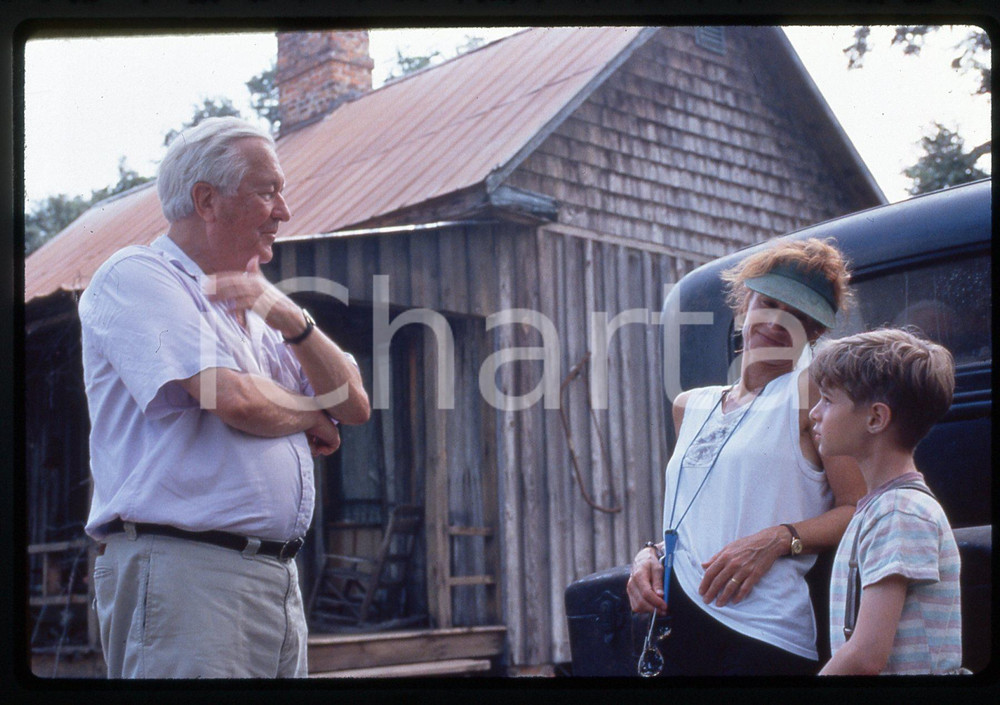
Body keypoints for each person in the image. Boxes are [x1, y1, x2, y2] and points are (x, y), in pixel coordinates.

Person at [78, 116, 371, 678]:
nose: (284, 211)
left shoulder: (259, 310)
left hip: (275, 578)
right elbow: (235, 400)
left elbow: (353, 404)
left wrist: (291, 317)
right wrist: (313, 415)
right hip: (187, 575)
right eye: (267, 192)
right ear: (207, 201)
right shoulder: (137, 275)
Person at [626, 237, 867, 676]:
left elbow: (859, 508)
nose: (777, 323)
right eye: (769, 302)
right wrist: (650, 554)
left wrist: (778, 539)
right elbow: (706, 513)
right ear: (744, 305)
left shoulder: (811, 394)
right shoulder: (688, 406)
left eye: (797, 316)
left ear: (815, 331)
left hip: (763, 634)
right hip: (677, 624)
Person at [809, 328, 962, 675]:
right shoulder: (881, 508)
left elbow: (865, 656)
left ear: (876, 418)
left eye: (828, 400)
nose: (815, 414)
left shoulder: (898, 513)